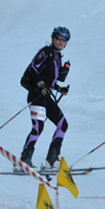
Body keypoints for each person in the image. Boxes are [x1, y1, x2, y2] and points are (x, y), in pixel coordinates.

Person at [17, 26, 71, 171]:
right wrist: (40, 84)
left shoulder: (57, 57)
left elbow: (50, 80)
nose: (61, 41)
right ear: (53, 38)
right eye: (58, 38)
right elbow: (33, 68)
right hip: (37, 95)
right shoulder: (45, 51)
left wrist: (59, 89)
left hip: (46, 96)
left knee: (63, 124)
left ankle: (52, 159)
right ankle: (25, 160)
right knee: (38, 127)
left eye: (64, 39)